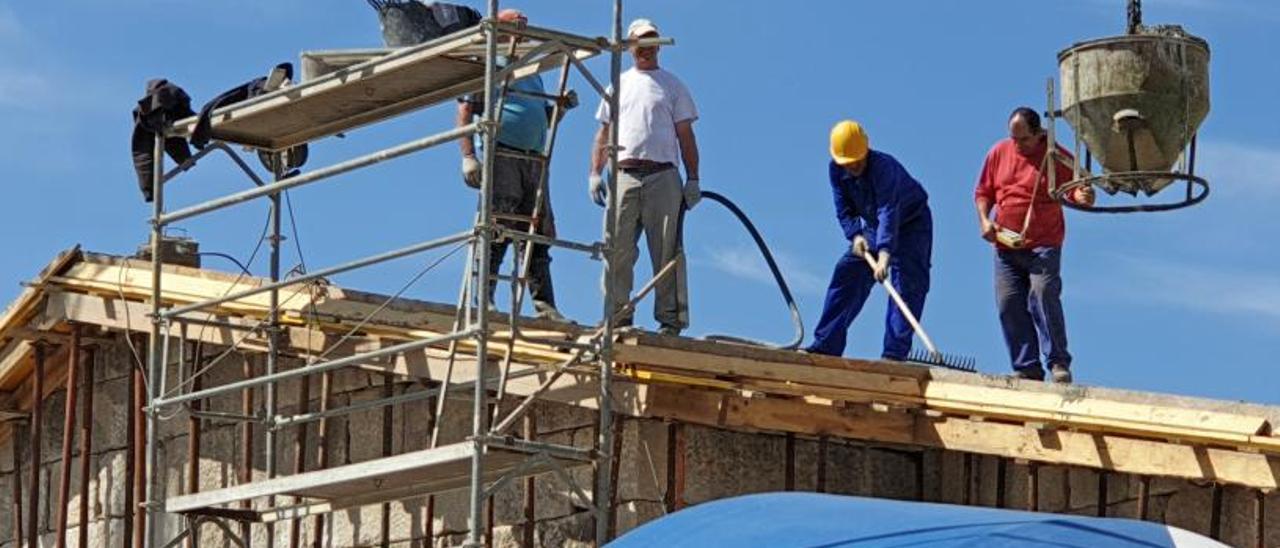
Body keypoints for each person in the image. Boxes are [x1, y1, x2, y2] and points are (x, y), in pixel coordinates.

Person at [588, 18, 701, 335]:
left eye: (652, 43)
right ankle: (618, 316)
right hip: (624, 173)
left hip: (663, 176)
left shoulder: (672, 85)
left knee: (667, 251)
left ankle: (670, 320)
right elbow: (603, 133)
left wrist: (693, 178)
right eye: (641, 43)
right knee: (617, 249)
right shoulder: (618, 85)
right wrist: (595, 173)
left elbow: (686, 136)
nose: (647, 49)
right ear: (631, 48)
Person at [457, 8, 564, 321]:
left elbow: (542, 116)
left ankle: (544, 306)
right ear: (500, 29)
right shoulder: (489, 64)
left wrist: (562, 107)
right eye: (516, 26)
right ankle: (484, 299)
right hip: (502, 153)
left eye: (524, 28)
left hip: (533, 158)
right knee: (497, 228)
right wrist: (467, 156)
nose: (521, 33)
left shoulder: (533, 69)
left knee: (537, 233)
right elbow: (465, 111)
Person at [974, 107, 1095, 383]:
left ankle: (1058, 362)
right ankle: (1027, 367)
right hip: (1006, 244)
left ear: (1038, 134)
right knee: (1008, 302)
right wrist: (984, 220)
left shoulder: (1054, 155)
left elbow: (1075, 188)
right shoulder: (999, 153)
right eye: (1014, 139)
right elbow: (983, 192)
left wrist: (1082, 196)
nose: (1018, 145)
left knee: (1042, 294)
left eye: (1024, 140)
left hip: (1043, 244)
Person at [805, 121, 933, 360]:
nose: (853, 167)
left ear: (866, 151)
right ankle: (827, 345)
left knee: (907, 286)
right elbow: (844, 209)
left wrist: (884, 253)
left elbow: (888, 210)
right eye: (848, 163)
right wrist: (854, 234)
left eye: (857, 161)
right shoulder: (836, 170)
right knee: (847, 273)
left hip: (911, 225)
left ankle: (893, 356)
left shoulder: (885, 169)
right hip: (874, 228)